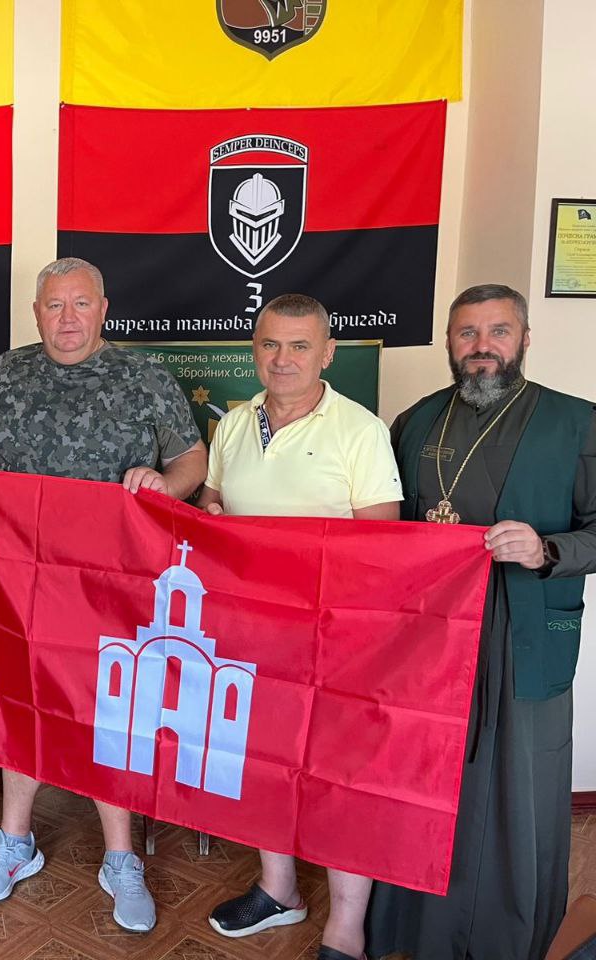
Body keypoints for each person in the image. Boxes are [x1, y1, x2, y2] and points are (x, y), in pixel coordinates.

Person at [0, 256, 207, 933]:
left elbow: (191, 459)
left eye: (81, 303)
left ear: (103, 309)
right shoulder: (6, 372)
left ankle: (121, 858)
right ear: (36, 313)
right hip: (19, 579)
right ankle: (15, 841)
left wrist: (166, 485)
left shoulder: (144, 377)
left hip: (112, 581)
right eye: (54, 305)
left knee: (109, 710)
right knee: (21, 698)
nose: (67, 318)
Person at [365, 284, 596, 960]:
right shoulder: (414, 421)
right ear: (449, 342)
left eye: (498, 331)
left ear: (524, 339)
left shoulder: (577, 422)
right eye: (467, 333)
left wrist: (546, 549)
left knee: (516, 783)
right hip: (429, 634)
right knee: (423, 775)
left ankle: (506, 937)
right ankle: (415, 929)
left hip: (523, 629)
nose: (481, 347)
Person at [198, 294, 401, 960]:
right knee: (262, 762)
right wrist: (205, 513)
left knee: (340, 778)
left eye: (299, 346)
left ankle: (347, 927)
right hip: (249, 632)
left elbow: (380, 544)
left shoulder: (360, 429)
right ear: (254, 350)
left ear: (327, 353)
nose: (282, 359)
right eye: (270, 344)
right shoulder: (233, 424)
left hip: (333, 638)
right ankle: (279, 889)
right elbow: (214, 505)